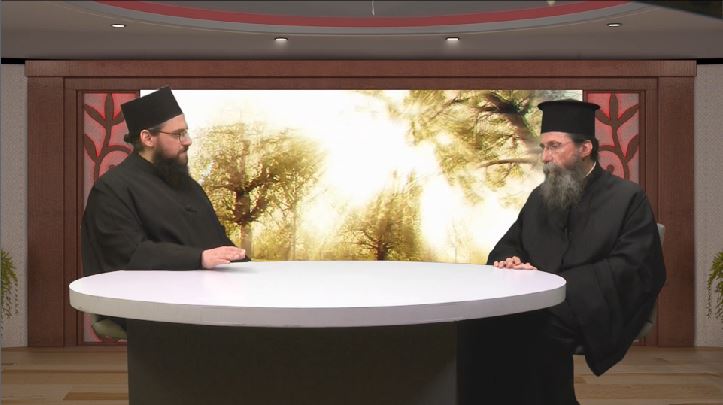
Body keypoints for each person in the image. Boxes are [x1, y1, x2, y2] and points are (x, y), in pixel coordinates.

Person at [457, 100, 666, 405]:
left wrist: (556, 283)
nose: (545, 157)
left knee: (535, 328)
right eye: (544, 147)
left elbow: (634, 266)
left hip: (595, 301)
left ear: (585, 148)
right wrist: (510, 260)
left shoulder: (628, 198)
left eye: (555, 146)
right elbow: (510, 243)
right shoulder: (540, 197)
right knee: (478, 325)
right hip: (540, 300)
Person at [81, 87, 247, 327]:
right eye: (178, 134)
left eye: (186, 132)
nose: (188, 141)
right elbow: (130, 255)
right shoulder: (112, 189)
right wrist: (199, 258)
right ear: (147, 138)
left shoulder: (187, 185)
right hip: (151, 308)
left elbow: (217, 240)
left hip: (207, 297)